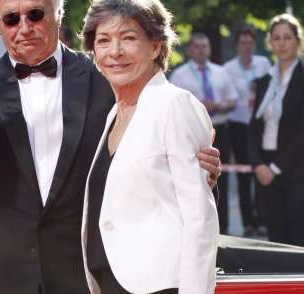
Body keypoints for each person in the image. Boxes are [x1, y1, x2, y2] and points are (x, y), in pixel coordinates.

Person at [0, 0, 221, 293]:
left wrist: (200, 169)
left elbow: (162, 144)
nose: (24, 27)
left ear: (58, 13)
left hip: (80, 272)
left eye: (36, 14)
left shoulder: (108, 74)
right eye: (11, 19)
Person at [80, 1, 219, 293]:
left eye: (128, 38)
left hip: (158, 286)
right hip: (111, 283)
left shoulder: (174, 104)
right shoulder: (114, 114)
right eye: (103, 41)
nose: (114, 51)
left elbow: (200, 219)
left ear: (156, 47)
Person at [248, 13, 304, 249]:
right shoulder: (263, 81)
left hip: (300, 170)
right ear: (270, 43)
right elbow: (253, 128)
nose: (282, 43)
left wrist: (274, 167)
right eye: (276, 38)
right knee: (276, 244)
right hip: (266, 171)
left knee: (301, 245)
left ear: (298, 41)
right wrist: (257, 164)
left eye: (287, 38)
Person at [171, 32, 239, 235]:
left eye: (205, 46)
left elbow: (233, 100)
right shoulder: (179, 75)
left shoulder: (221, 72)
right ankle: (197, 229)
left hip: (220, 130)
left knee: (222, 181)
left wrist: (218, 105)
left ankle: (223, 227)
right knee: (196, 182)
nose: (201, 50)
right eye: (197, 46)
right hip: (193, 137)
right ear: (190, 50)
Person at [223, 25, 270, 237]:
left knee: (260, 169)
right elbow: (230, 96)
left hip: (259, 123)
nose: (247, 46)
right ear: (237, 45)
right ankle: (247, 223)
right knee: (243, 176)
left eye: (250, 42)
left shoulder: (263, 63)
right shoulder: (228, 69)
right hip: (238, 125)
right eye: (243, 42)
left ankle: (262, 219)